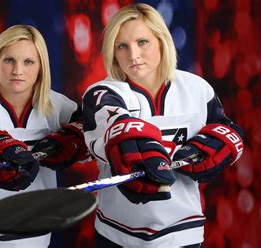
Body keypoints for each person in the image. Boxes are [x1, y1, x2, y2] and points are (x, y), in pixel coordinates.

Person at [82, 3, 245, 247]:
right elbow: (114, 127)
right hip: (117, 234)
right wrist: (130, 149)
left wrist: (216, 147)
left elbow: (228, 132)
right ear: (112, 52)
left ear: (161, 41)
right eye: (122, 46)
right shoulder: (103, 92)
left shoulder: (197, 89)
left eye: (142, 42)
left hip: (183, 232)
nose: (133, 55)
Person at [0, 25, 89, 247]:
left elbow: (95, 137)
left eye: (28, 62)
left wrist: (74, 140)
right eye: (9, 60)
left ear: (40, 67)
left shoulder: (56, 105)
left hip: (37, 231)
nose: (18, 70)